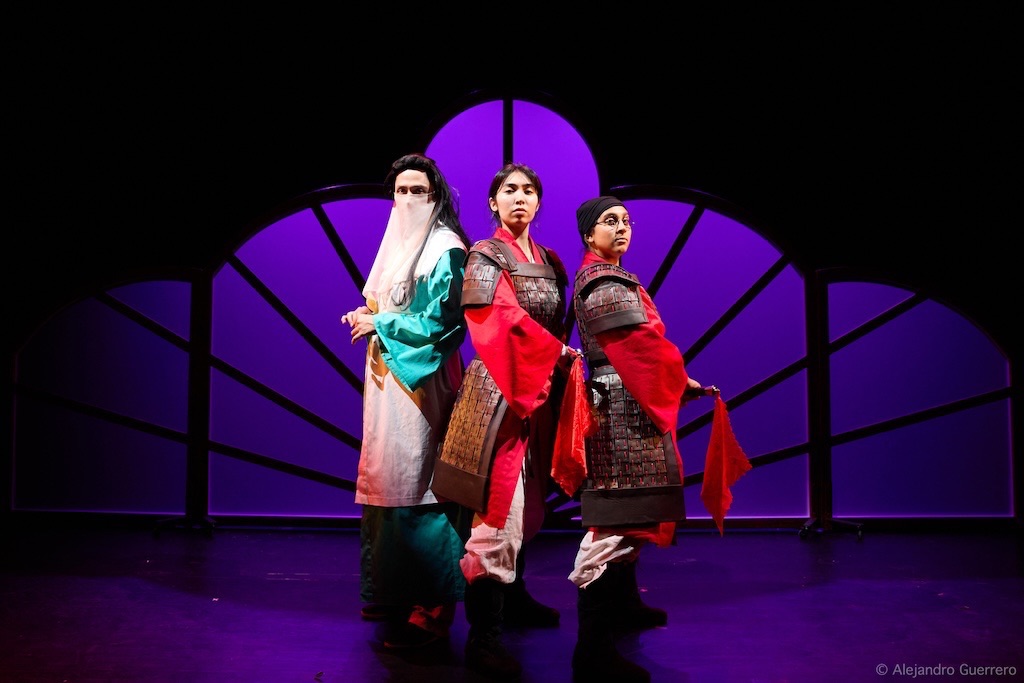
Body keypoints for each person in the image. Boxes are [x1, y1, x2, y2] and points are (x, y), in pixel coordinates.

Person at [560, 195, 713, 683]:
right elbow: (642, 346)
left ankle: (623, 607)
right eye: (610, 221)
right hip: (619, 410)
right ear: (589, 234)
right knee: (612, 524)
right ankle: (591, 651)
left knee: (631, 518)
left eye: (626, 220)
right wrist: (679, 379)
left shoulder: (612, 276)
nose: (622, 227)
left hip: (630, 403)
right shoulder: (603, 283)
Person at [432, 162, 572, 680]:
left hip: (538, 392)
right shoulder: (485, 255)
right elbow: (499, 319)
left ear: (538, 202)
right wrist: (553, 352)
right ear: (493, 202)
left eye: (529, 190)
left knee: (529, 503)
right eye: (509, 190)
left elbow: (560, 321)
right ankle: (483, 639)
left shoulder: (551, 261)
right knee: (498, 512)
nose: (520, 197)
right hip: (497, 396)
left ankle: (516, 598)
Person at [341, 153, 474, 650]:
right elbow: (387, 301)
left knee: (421, 482)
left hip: (422, 381)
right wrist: (366, 314)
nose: (409, 199)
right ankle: (391, 592)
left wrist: (380, 324)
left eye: (418, 190)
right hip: (387, 384)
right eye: (401, 190)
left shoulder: (445, 248)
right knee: (388, 478)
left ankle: (432, 608)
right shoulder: (397, 243)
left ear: (435, 196)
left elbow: (443, 323)